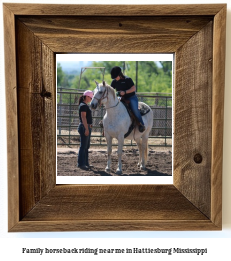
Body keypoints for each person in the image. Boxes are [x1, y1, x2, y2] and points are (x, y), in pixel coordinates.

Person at [110, 66, 145, 132]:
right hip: (120, 98)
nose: (115, 78)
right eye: (114, 77)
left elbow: (133, 89)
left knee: (134, 109)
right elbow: (111, 90)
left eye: (116, 76)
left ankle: (141, 124)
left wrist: (125, 92)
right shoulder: (114, 81)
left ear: (120, 74)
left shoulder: (127, 79)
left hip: (131, 97)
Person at [77, 90, 94, 170]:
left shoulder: (84, 105)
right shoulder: (83, 105)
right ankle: (81, 163)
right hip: (85, 126)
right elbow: (83, 117)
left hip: (87, 126)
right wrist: (86, 128)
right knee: (83, 146)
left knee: (86, 146)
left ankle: (85, 163)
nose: (91, 99)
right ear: (87, 96)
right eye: (90, 97)